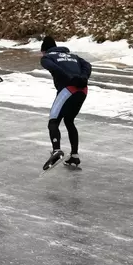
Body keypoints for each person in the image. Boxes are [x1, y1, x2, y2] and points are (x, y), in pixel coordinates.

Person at [40, 36, 92, 170]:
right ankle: (74, 155)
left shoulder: (47, 57)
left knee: (53, 121)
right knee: (69, 121)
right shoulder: (73, 56)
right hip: (83, 90)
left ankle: (56, 150)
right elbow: (87, 65)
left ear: (44, 50)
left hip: (68, 89)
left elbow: (54, 68)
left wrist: (69, 78)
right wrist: (83, 78)